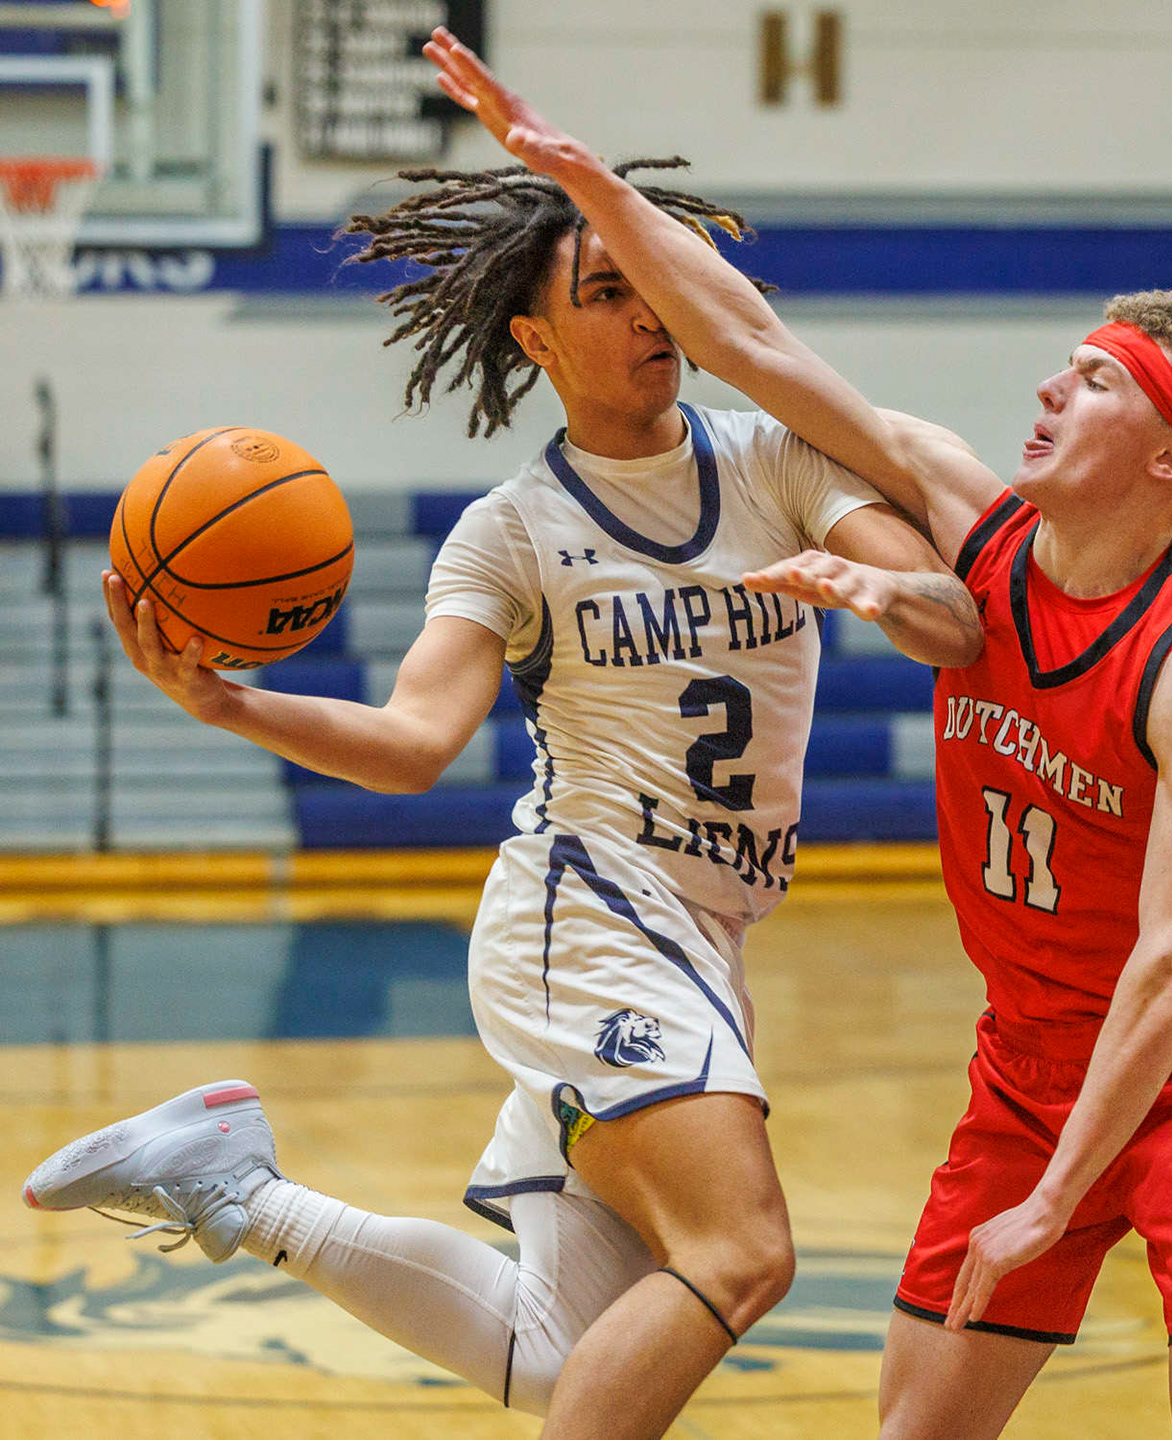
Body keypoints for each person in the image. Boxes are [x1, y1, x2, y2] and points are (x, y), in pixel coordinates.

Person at [409, 28, 1172, 1439]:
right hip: (1024, 1067)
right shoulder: (973, 520)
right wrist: (579, 176)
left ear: (1170, 458)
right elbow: (750, 343)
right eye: (1060, 366)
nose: (1046, 390)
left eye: (1093, 382)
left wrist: (1061, 1201)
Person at [22, 147, 984, 1440]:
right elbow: (418, 740)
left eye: (655, 283)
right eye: (604, 292)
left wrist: (888, 591)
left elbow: (955, 630)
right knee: (741, 1251)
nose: (648, 314)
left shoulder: (777, 462)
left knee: (559, 1355)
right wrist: (230, 704)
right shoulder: (514, 532)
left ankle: (242, 1195)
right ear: (534, 335)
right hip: (586, 916)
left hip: (703, 935)